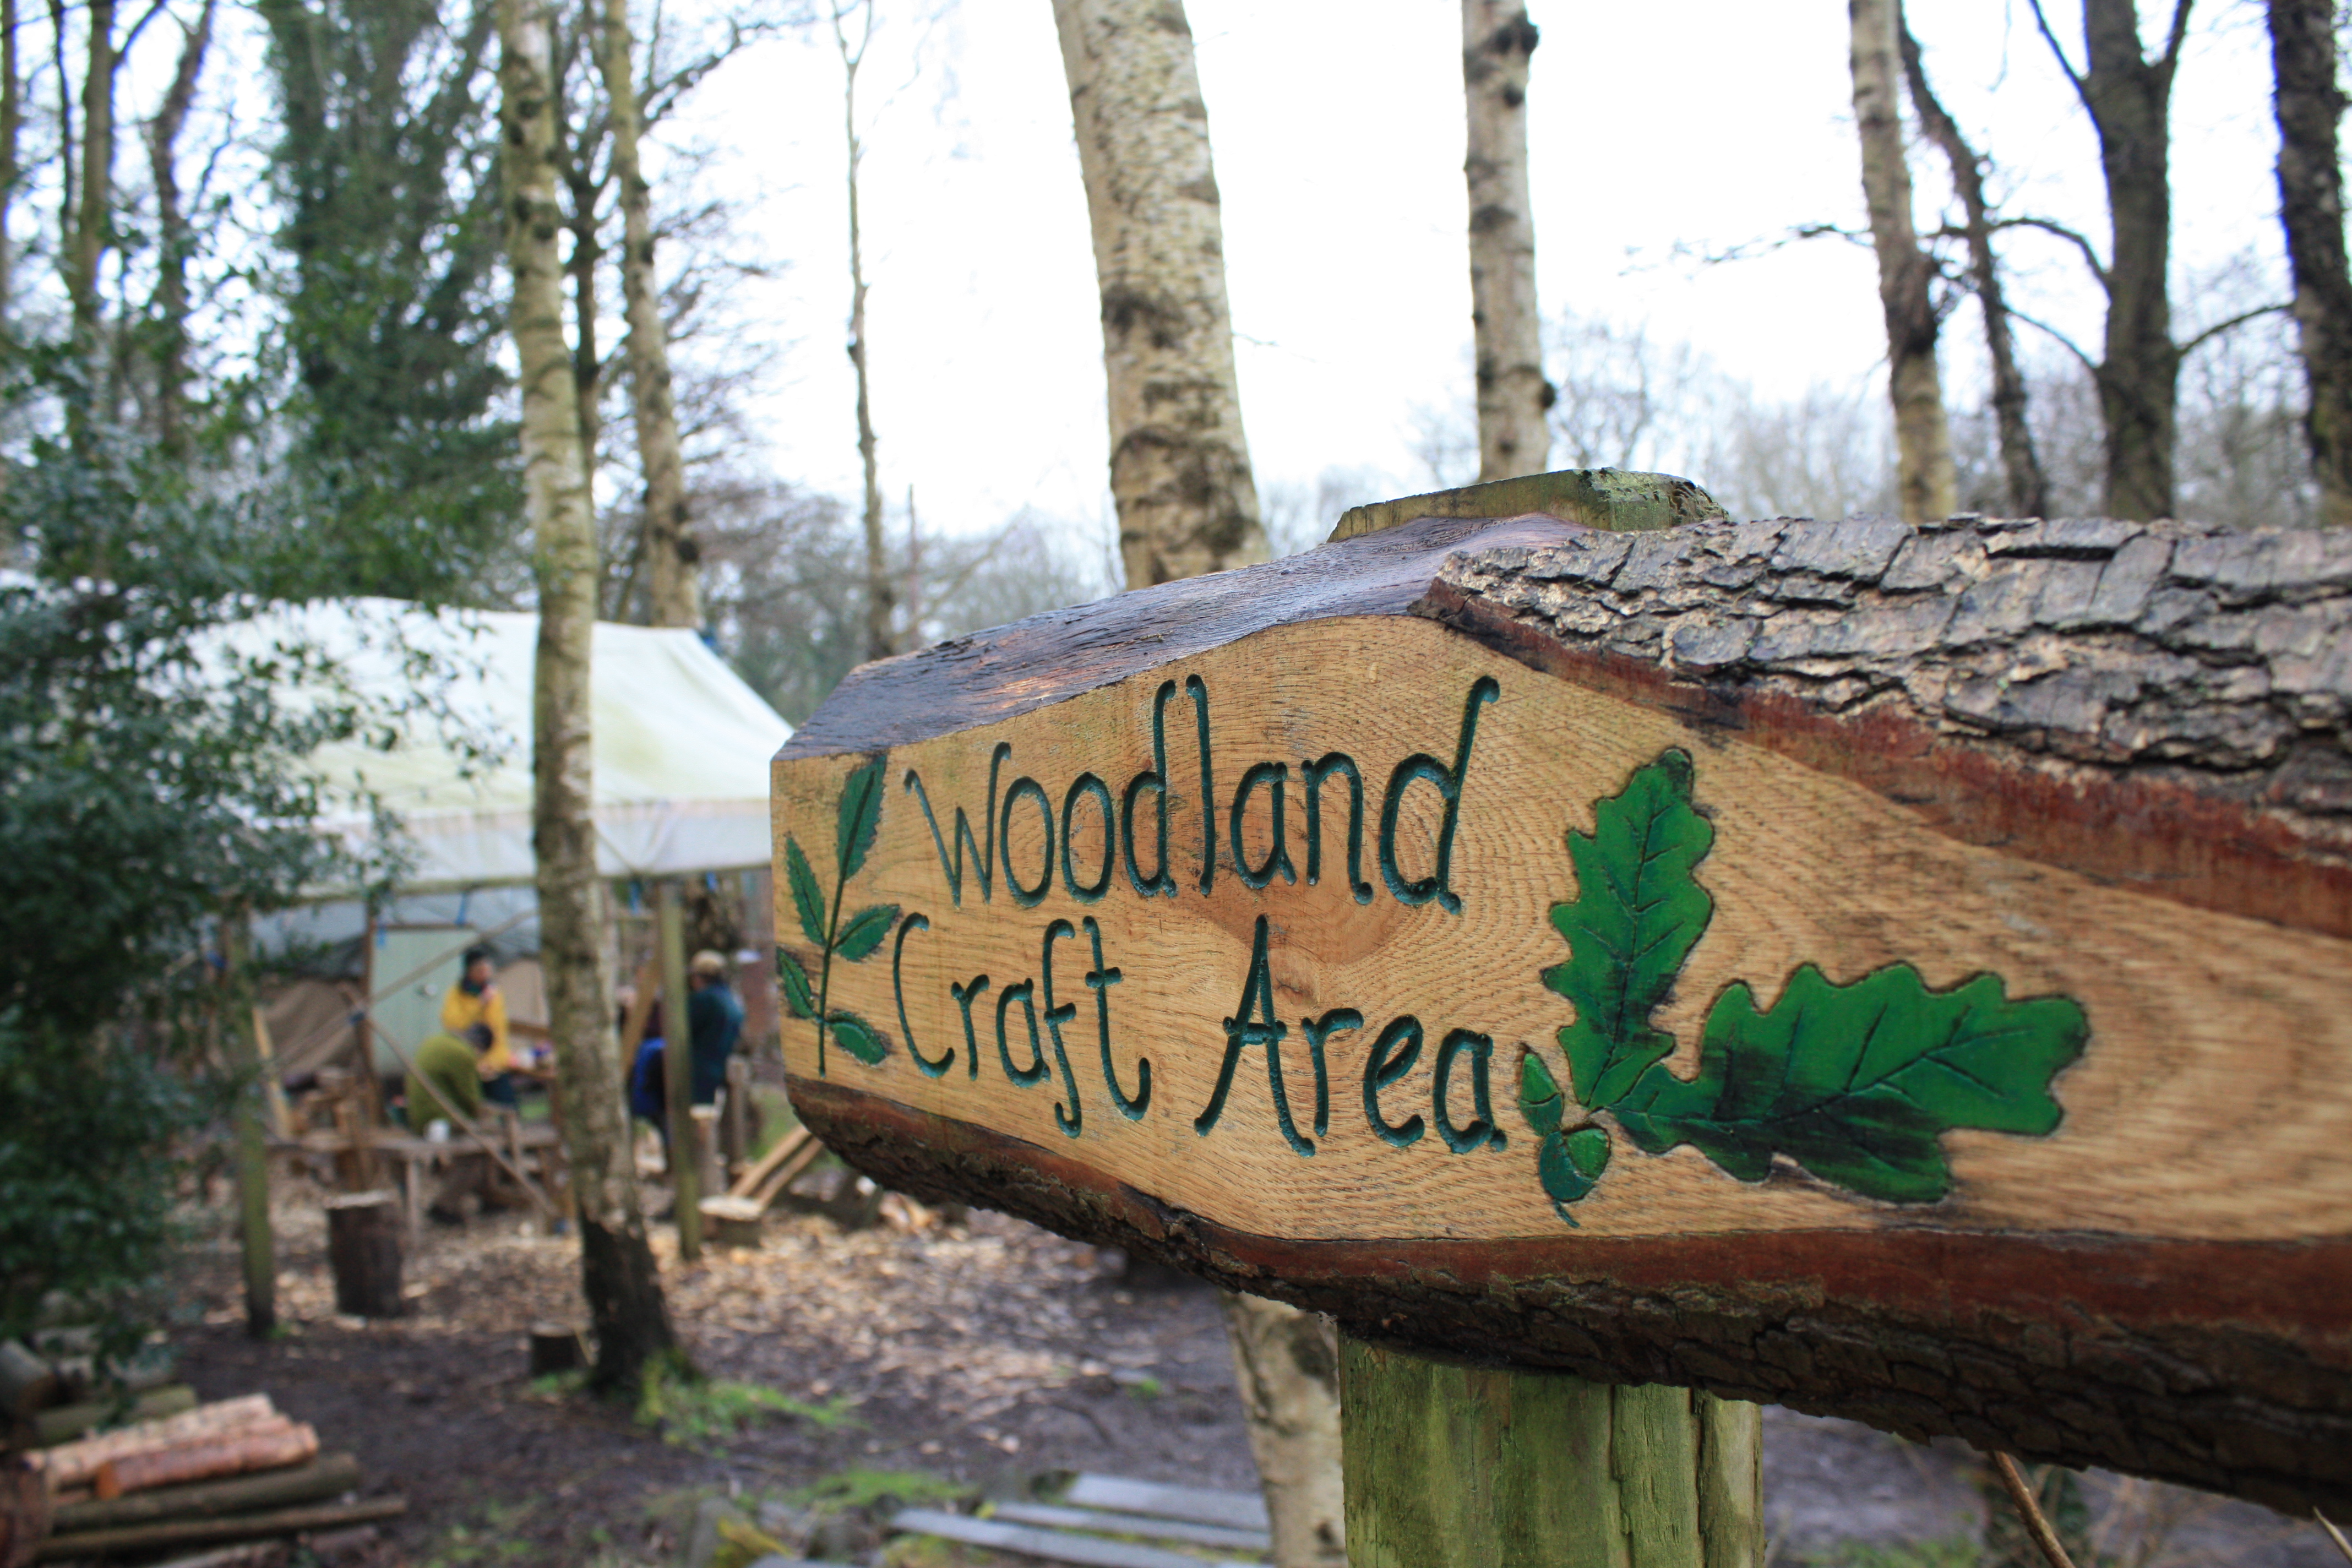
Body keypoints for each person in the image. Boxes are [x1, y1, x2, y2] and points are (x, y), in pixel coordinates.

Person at [405, 1023, 494, 1224]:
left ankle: (470, 1196)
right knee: (479, 1155)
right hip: (438, 1121)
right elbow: (472, 1099)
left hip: (419, 1116)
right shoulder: (463, 1054)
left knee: (474, 1147)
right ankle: (445, 1205)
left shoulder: (437, 1041)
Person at [440, 945, 516, 1108]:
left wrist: (496, 1061)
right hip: (469, 1058)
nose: (485, 973)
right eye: (480, 969)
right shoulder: (457, 993)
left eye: (487, 969)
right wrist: (479, 1004)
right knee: (472, 1104)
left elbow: (498, 1030)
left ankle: (513, 1128)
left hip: (494, 1061)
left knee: (507, 1102)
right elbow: (453, 1024)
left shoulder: (494, 992)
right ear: (469, 971)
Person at [687, 950, 743, 1108]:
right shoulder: (732, 1000)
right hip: (721, 1071)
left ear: (698, 977)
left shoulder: (704, 1000)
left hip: (699, 1074)